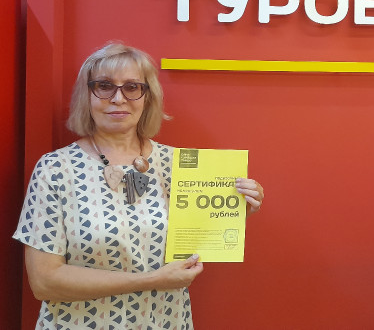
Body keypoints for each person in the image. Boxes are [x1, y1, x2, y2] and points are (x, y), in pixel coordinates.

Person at [13, 42, 264, 329]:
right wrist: (151, 280)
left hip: (164, 322)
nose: (118, 98)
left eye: (132, 87)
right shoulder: (56, 169)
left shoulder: (178, 165)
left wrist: (234, 208)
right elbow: (44, 282)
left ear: (148, 97)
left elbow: (196, 237)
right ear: (87, 95)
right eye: (104, 86)